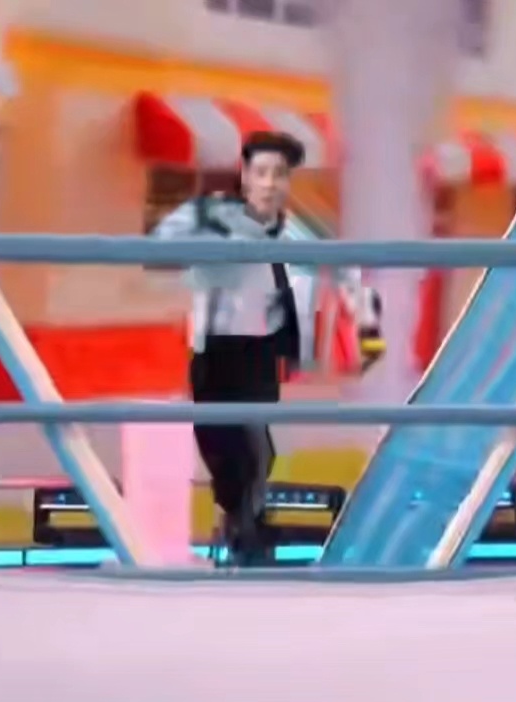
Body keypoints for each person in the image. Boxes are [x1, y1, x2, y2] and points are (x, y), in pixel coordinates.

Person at [150, 131, 383, 566]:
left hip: (260, 353)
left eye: (279, 174)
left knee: (258, 449)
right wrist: (208, 234)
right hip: (215, 350)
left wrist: (369, 332)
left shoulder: (292, 231)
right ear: (245, 175)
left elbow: (345, 270)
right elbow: (159, 249)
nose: (269, 183)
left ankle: (246, 531)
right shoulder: (212, 215)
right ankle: (242, 527)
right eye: (261, 172)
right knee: (225, 445)